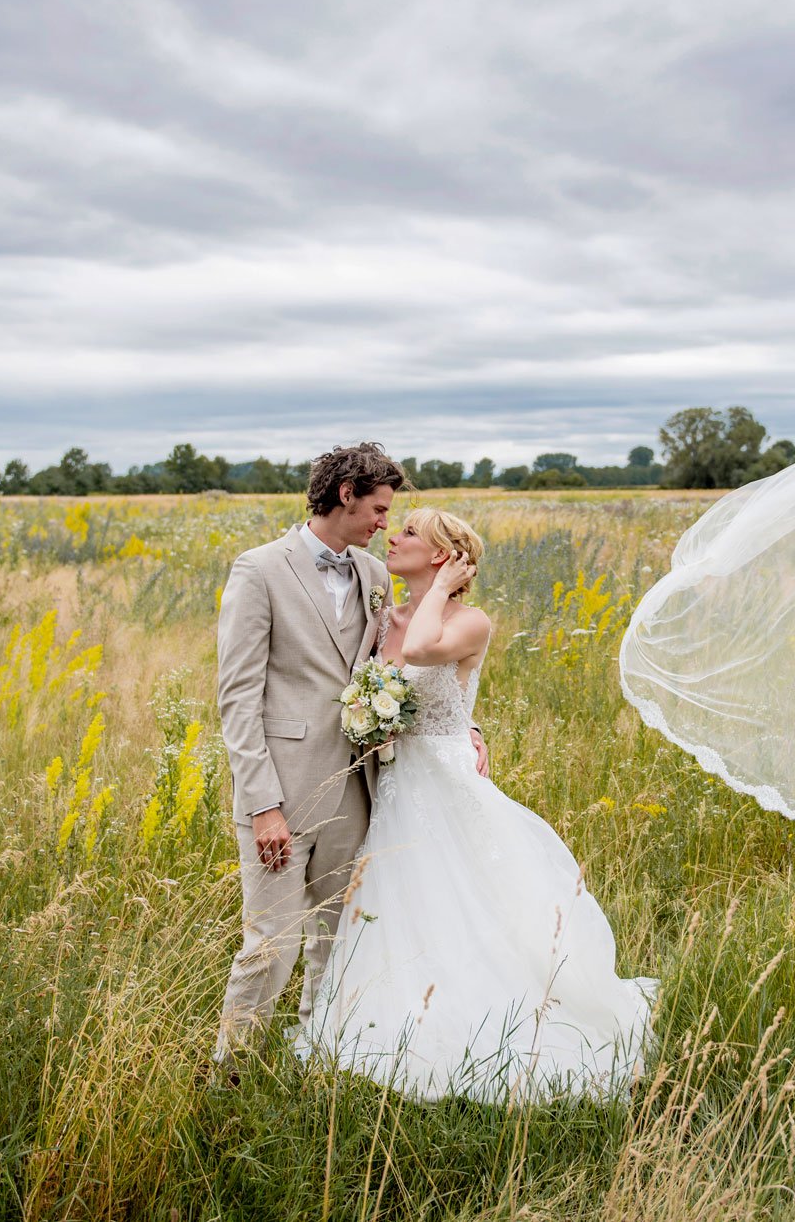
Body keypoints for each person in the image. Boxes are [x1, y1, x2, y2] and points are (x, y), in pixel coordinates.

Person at [298, 507, 657, 1101]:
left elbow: (416, 653)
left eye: (410, 532)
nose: (394, 534)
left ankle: (484, 1017)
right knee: (399, 896)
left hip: (443, 778)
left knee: (463, 896)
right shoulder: (382, 612)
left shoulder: (472, 622)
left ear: (443, 556)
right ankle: (380, 1011)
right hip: (394, 780)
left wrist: (438, 592)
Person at [212, 444, 487, 1064]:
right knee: (270, 944)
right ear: (346, 495)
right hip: (282, 794)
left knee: (335, 942)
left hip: (362, 791)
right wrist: (262, 806)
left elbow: (399, 670)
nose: (385, 523)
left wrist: (461, 727)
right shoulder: (259, 570)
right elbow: (237, 697)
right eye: (381, 509)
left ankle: (316, 1056)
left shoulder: (372, 575)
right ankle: (227, 1076)